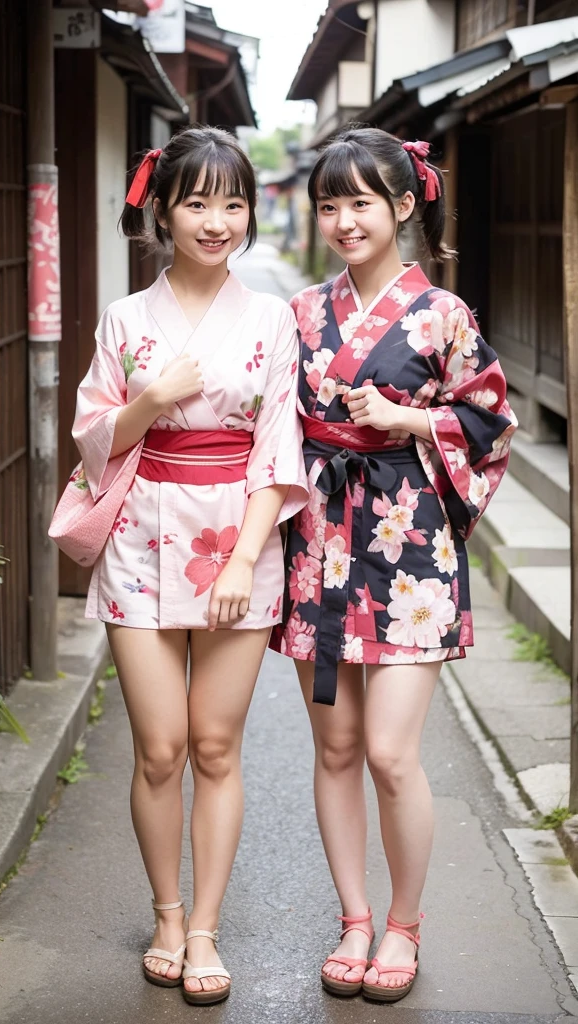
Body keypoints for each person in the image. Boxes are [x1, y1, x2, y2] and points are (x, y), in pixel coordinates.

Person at [271, 126, 516, 1004]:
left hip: (409, 543)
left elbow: (491, 421)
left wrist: (409, 421)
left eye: (361, 202)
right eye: (329, 203)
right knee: (334, 746)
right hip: (323, 541)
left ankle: (404, 925)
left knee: (388, 751)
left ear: (404, 207)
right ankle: (353, 917)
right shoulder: (300, 313)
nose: (343, 219)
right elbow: (271, 430)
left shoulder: (444, 314)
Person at [69, 126, 308, 1007]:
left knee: (215, 745)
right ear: (161, 210)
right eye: (198, 202)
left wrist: (247, 557)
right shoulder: (127, 321)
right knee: (161, 747)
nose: (217, 221)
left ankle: (204, 925)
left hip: (237, 541)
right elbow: (95, 443)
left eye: (233, 202)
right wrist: (149, 401)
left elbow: (279, 449)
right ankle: (164, 911)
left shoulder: (272, 319)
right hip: (139, 537)